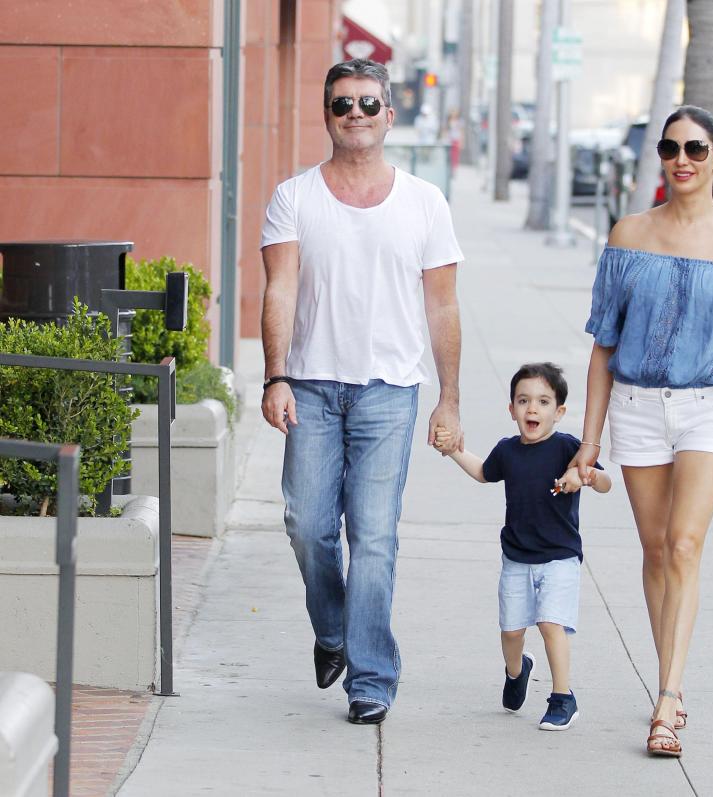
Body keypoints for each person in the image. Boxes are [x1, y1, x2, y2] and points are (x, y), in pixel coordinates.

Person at [571, 105, 713, 757]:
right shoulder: (628, 233)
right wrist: (588, 441)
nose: (682, 159)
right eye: (670, 148)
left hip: (712, 404)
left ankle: (667, 697)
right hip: (638, 405)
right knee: (657, 549)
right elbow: (603, 346)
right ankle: (671, 676)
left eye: (696, 147)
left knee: (687, 543)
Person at [259, 58, 465, 726]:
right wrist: (276, 373)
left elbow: (442, 307)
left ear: (389, 115)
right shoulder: (294, 197)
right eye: (344, 103)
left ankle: (371, 676)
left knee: (373, 535)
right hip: (311, 388)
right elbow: (280, 288)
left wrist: (449, 397)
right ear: (327, 114)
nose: (356, 114)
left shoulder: (425, 203)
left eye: (369, 104)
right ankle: (334, 630)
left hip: (388, 392)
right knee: (308, 526)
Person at [434, 363, 611, 731]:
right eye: (524, 400)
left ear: (559, 412)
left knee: (550, 623)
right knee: (512, 631)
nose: (533, 409)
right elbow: (484, 472)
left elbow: (606, 481)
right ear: (512, 408)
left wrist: (588, 475)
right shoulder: (508, 450)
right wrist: (452, 451)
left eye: (544, 402)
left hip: (560, 557)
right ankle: (517, 671)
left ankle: (563, 696)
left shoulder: (568, 448)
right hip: (516, 557)